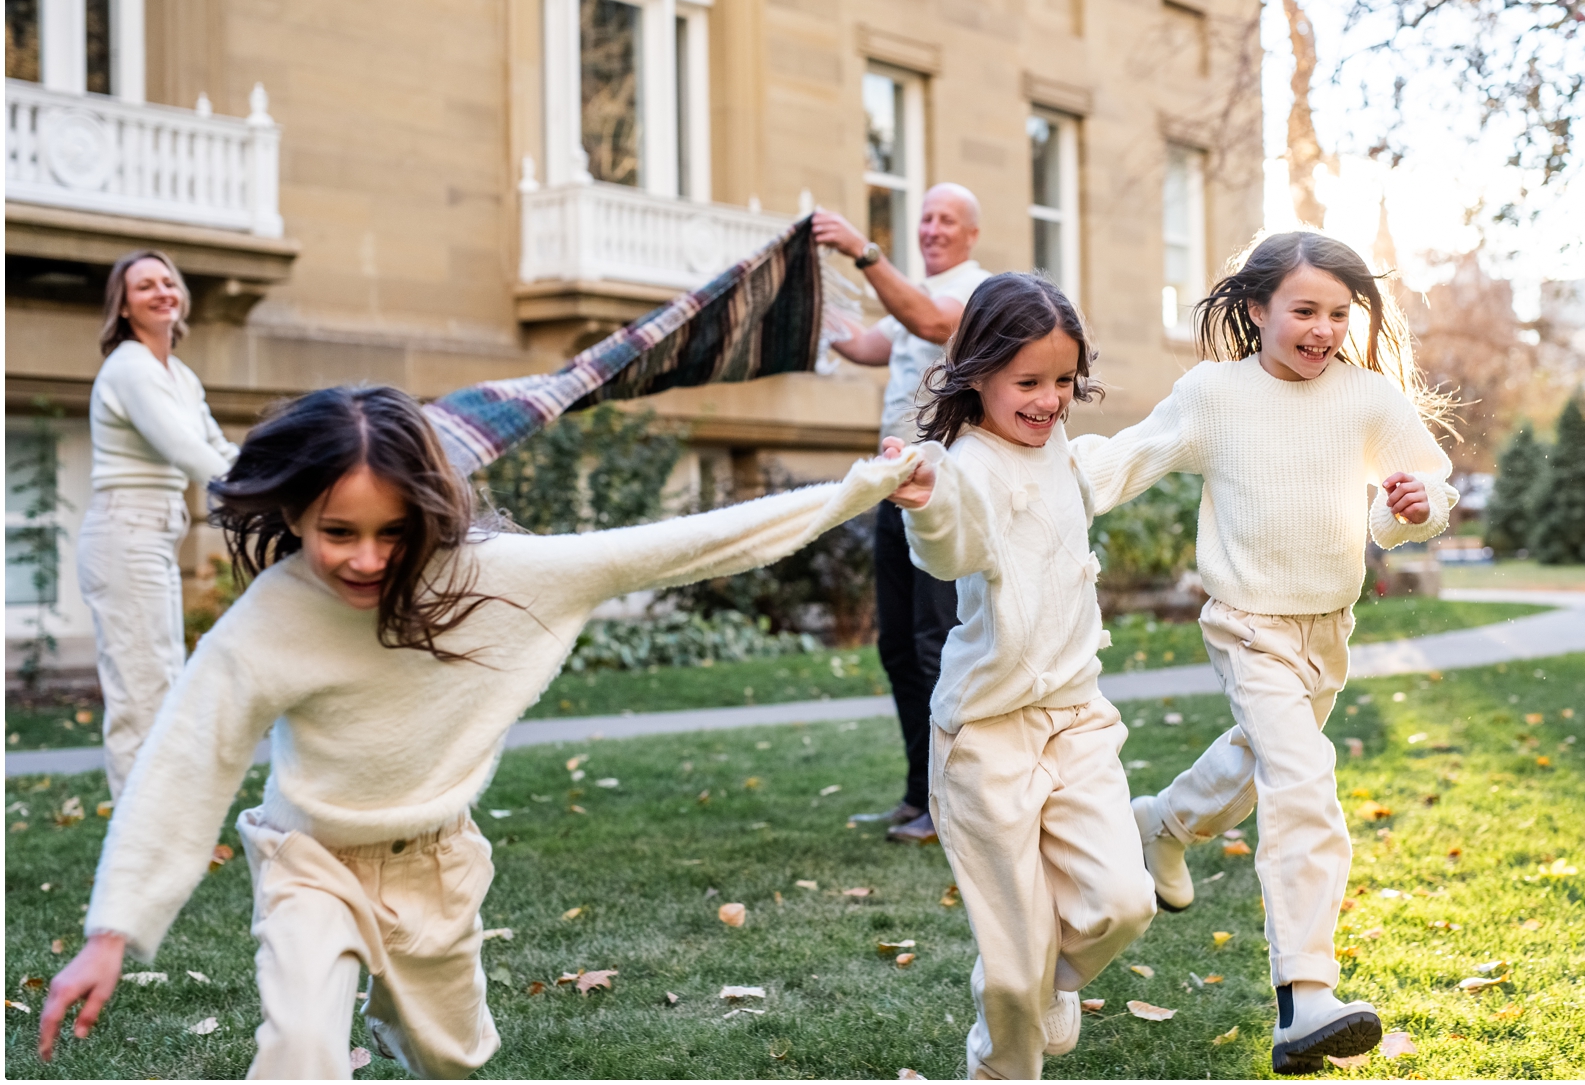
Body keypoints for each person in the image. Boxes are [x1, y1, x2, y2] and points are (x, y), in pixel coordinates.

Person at [38, 385, 934, 1078]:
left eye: (393, 531)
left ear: (427, 508)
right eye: (336, 531)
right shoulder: (272, 617)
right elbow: (187, 759)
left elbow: (685, 544)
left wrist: (865, 486)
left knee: (452, 1059)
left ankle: (398, 1010)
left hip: (435, 862)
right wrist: (113, 929)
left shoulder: (496, 578)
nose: (366, 557)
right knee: (301, 1050)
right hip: (312, 860)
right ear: (295, 512)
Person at [1068, 231, 1458, 1076]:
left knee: (1257, 760)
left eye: (1338, 314)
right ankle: (1306, 996)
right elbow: (1128, 458)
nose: (1322, 329)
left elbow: (1422, 488)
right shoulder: (1215, 394)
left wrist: (1416, 503)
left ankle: (1160, 822)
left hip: (1327, 626)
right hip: (1247, 623)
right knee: (1303, 779)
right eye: (1304, 310)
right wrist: (1030, 473)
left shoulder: (1366, 396)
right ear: (1256, 309)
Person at [900, 273, 1157, 1080]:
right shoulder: (964, 467)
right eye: (1029, 382)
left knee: (1126, 902)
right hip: (985, 736)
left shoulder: (1066, 459)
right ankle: (1002, 1062)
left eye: (1062, 382)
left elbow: (1140, 452)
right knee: (1011, 971)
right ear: (977, 370)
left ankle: (1053, 980)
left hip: (1076, 720)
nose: (1048, 401)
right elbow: (947, 548)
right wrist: (921, 502)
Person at [813, 183, 989, 845]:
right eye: (926, 218)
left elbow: (930, 323)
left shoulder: (975, 290)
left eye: (947, 219)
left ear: (971, 233)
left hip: (939, 486)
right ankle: (920, 793)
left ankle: (952, 802)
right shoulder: (913, 290)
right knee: (895, 645)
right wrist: (810, 296)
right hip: (891, 483)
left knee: (933, 643)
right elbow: (863, 345)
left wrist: (861, 249)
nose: (933, 228)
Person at [79, 249, 239, 799]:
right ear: (123, 306)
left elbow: (218, 447)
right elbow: (186, 450)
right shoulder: (129, 367)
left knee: (164, 676)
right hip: (125, 531)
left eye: (168, 281)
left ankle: (159, 819)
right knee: (140, 693)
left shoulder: (181, 375)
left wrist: (284, 473)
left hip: (155, 531)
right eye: (144, 286)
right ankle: (138, 835)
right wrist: (257, 495)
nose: (161, 291)